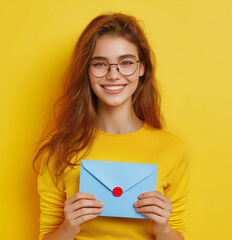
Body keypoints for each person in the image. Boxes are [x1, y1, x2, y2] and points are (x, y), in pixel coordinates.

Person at [33, 12, 190, 240]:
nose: (113, 75)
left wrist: (163, 229)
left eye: (126, 62)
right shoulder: (58, 148)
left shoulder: (172, 148)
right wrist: (68, 228)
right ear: (86, 71)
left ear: (142, 68)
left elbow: (179, 232)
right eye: (100, 64)